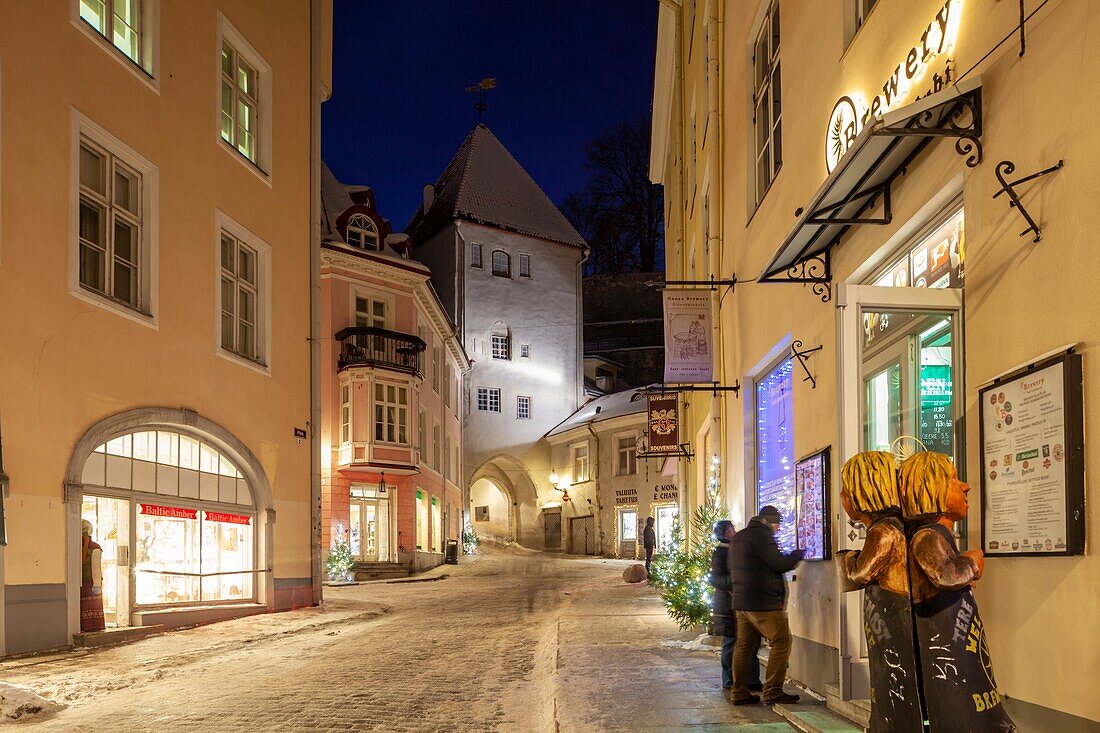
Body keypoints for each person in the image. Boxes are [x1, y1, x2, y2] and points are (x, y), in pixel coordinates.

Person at [899, 452, 1017, 732]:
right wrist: (972, 562)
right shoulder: (926, 536)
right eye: (952, 480)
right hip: (946, 663)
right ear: (929, 488)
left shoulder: (938, 536)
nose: (965, 486)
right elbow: (946, 574)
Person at [838, 452, 924, 733]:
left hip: (893, 620)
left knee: (893, 680)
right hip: (887, 617)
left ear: (863, 491)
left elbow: (861, 573)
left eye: (846, 490)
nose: (841, 496)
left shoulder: (883, 531)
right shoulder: (888, 527)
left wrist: (847, 560)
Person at [729, 505, 804, 705]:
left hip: (743, 602)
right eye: (777, 524)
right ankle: (772, 690)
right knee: (781, 640)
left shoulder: (739, 537)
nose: (778, 529)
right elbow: (778, 563)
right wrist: (797, 555)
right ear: (768, 522)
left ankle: (738, 692)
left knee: (743, 648)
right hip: (762, 602)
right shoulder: (762, 536)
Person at [709, 520, 761, 695]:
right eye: (730, 528)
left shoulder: (737, 549)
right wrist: (736, 581)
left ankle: (752, 680)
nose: (734, 530)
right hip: (727, 607)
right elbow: (716, 579)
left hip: (742, 603)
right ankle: (729, 680)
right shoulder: (720, 553)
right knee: (731, 643)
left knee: (750, 642)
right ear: (724, 532)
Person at [80, 519, 105, 633]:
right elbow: (96, 568)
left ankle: (88, 626)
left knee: (88, 605)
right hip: (89, 583)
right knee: (92, 605)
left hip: (86, 582)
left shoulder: (88, 548)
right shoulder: (94, 547)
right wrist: (97, 584)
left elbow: (95, 568)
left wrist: (96, 584)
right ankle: (93, 625)